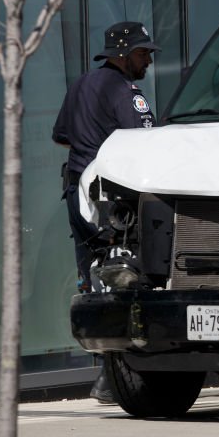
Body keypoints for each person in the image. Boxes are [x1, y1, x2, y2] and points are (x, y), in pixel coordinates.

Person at [53, 21, 160, 403]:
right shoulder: (129, 94)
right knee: (127, 279)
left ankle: (105, 373)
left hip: (78, 194)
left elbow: (62, 137)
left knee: (94, 279)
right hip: (114, 200)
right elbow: (143, 145)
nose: (148, 60)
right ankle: (116, 375)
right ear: (123, 54)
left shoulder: (80, 85)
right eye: (143, 53)